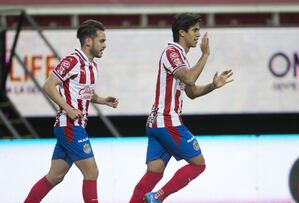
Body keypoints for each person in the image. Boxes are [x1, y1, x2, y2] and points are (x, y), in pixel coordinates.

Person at [129, 13, 233, 203]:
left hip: (157, 123)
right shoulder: (172, 53)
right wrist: (205, 54)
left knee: (154, 173)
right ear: (182, 33)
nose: (198, 35)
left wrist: (212, 85)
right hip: (168, 121)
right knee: (199, 165)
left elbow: (191, 92)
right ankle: (158, 197)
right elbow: (189, 78)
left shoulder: (181, 59)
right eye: (194, 30)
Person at [24, 19, 118, 203]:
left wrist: (102, 100)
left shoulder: (92, 66)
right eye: (102, 40)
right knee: (92, 171)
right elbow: (49, 85)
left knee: (55, 176)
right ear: (88, 41)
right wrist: (68, 109)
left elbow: (85, 93)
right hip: (69, 125)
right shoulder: (72, 61)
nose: (105, 45)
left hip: (75, 125)